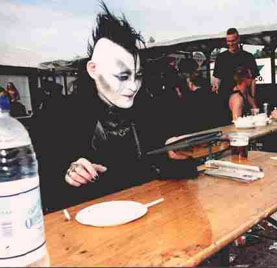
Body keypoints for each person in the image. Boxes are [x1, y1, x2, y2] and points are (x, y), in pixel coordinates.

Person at [36, 2, 198, 211]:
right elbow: (43, 189)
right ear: (93, 70)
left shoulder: (151, 110)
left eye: (137, 75)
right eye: (122, 76)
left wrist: (174, 156)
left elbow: (173, 175)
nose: (133, 86)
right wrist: (68, 174)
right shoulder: (60, 117)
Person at [212, 28, 259, 123]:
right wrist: (215, 84)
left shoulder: (248, 57)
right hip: (225, 95)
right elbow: (217, 77)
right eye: (228, 41)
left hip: (244, 94)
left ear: (238, 39)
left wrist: (253, 98)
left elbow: (253, 79)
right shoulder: (221, 58)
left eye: (233, 41)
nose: (230, 43)